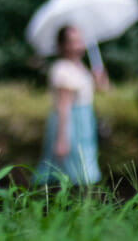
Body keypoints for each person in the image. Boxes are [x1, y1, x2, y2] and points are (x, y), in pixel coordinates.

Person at [34, 25, 109, 186]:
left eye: (79, 41)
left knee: (83, 168)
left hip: (85, 121)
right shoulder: (62, 69)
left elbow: (103, 89)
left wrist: (100, 77)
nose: (78, 45)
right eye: (73, 42)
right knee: (69, 169)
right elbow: (63, 105)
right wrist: (62, 139)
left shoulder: (81, 67)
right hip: (70, 123)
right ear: (63, 45)